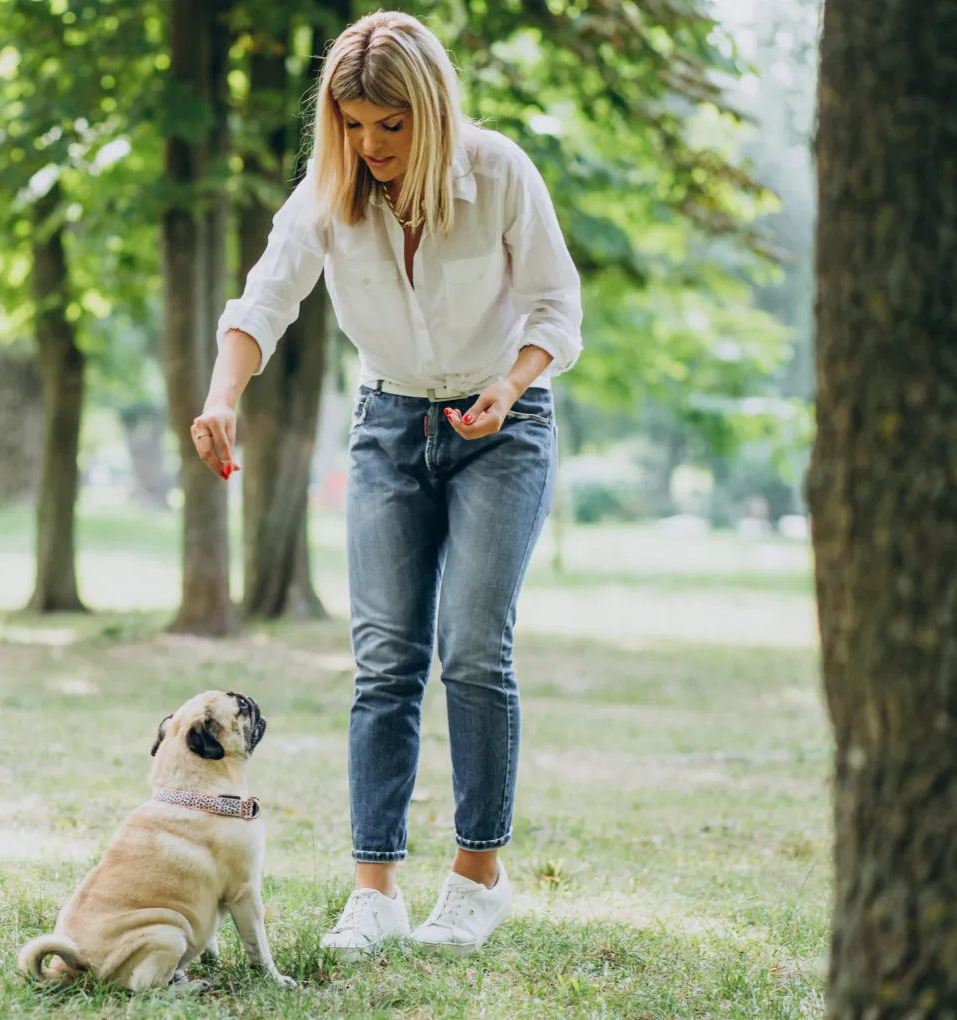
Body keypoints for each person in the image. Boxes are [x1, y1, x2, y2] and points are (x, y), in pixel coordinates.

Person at [188, 11, 581, 958]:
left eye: (390, 127)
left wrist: (510, 383)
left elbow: (557, 304)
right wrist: (222, 396)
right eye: (354, 124)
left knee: (475, 650)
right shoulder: (331, 191)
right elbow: (266, 294)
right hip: (390, 427)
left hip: (503, 426)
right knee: (385, 660)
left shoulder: (497, 174)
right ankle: (376, 891)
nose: (371, 146)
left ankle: (478, 879)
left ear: (433, 111)